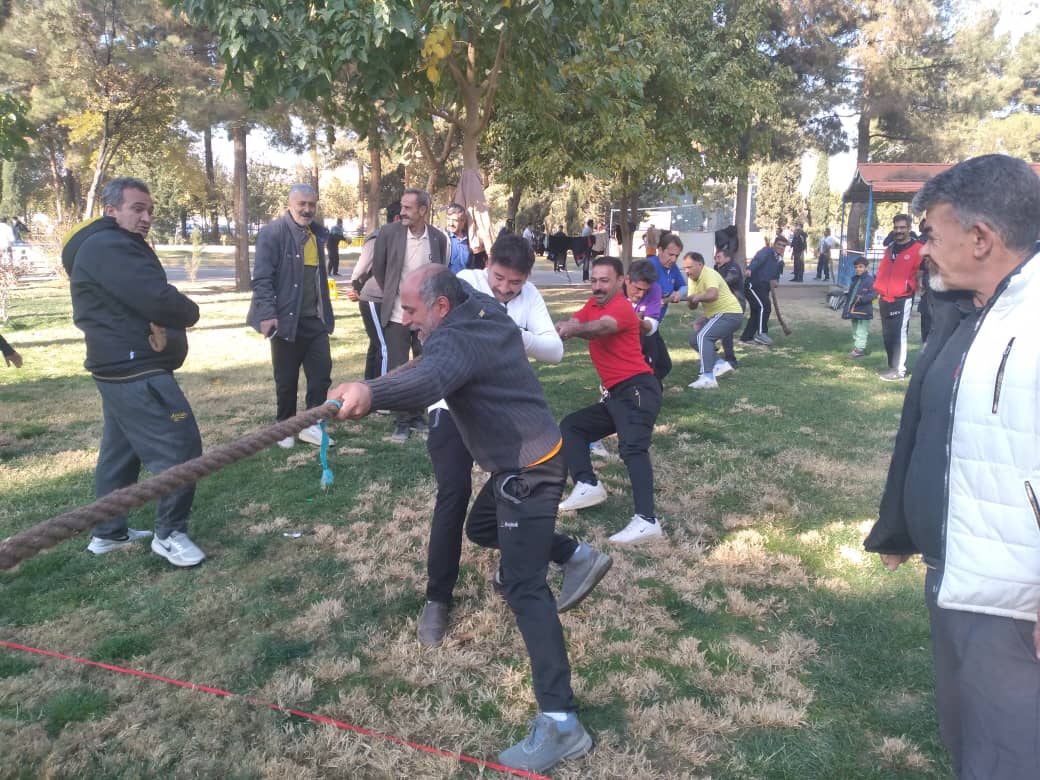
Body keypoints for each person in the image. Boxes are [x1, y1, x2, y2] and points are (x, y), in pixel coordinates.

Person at [329, 264, 602, 773]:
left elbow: (430, 377)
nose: (405, 319)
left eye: (412, 309)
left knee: (524, 588)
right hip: (522, 460)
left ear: (441, 306)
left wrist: (374, 394)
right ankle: (575, 554)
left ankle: (563, 723)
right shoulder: (480, 309)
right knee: (480, 529)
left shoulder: (457, 339)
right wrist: (369, 383)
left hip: (530, 470)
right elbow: (427, 364)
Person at [863, 154, 1040, 779]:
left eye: (932, 235)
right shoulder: (967, 309)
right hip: (959, 569)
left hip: (1015, 598)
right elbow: (927, 424)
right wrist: (900, 525)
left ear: (981, 238)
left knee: (1011, 755)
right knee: (970, 742)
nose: (924, 251)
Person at [416, 234, 608, 648]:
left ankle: (544, 561)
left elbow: (554, 351)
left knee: (511, 498)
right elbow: (432, 332)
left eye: (515, 283)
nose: (505, 289)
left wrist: (510, 333)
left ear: (527, 278)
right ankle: (437, 598)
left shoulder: (530, 296)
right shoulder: (465, 282)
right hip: (451, 406)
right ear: (488, 266)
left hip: (500, 411)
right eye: (499, 279)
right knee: (453, 493)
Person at [63, 177, 204, 567]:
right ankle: (170, 534)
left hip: (118, 366)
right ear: (111, 210)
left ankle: (108, 533)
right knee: (180, 447)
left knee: (119, 452)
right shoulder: (109, 246)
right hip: (133, 369)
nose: (146, 218)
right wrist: (190, 311)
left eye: (149, 211)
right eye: (137, 209)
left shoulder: (110, 244)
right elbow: (155, 297)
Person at [556, 256, 664, 545]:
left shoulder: (622, 308)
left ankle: (647, 521)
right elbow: (577, 320)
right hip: (616, 395)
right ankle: (587, 483)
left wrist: (573, 329)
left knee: (633, 449)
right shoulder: (593, 305)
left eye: (605, 280)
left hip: (637, 390)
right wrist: (560, 327)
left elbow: (601, 328)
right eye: (594, 280)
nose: (598, 286)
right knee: (572, 427)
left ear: (621, 281)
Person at [247, 184, 335, 448]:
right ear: (290, 205)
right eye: (302, 204)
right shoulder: (272, 233)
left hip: (315, 321)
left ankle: (311, 425)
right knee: (286, 379)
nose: (307, 209)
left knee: (321, 375)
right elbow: (262, 278)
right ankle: (284, 427)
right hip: (285, 320)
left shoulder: (317, 234)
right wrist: (267, 314)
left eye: (312, 204)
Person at [368, 188, 448, 441]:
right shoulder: (388, 233)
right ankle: (402, 420)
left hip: (427, 318)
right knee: (399, 366)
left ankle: (417, 416)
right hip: (396, 314)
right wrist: (396, 295)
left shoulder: (438, 238)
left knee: (424, 365)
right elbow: (379, 270)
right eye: (401, 207)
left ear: (423, 211)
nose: (401, 212)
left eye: (407, 208)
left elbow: (441, 272)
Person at [348, 202, 402, 380]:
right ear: (397, 218)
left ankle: (369, 387)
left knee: (376, 345)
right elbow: (361, 269)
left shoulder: (399, 237)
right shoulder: (377, 237)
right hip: (373, 298)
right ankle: (384, 391)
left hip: (386, 299)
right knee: (385, 346)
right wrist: (355, 287)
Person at [874, 213, 925, 381]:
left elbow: (921, 271)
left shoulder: (918, 249)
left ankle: (899, 370)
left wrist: (913, 286)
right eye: (896, 228)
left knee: (898, 334)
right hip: (885, 297)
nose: (899, 231)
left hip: (902, 298)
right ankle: (892, 366)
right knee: (888, 335)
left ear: (909, 228)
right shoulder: (890, 248)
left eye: (902, 227)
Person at [683, 252, 743, 389]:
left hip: (730, 313)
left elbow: (713, 295)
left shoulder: (708, 273)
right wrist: (691, 300)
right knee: (695, 340)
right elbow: (692, 306)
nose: (687, 271)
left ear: (700, 264)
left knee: (703, 337)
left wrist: (698, 297)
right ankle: (720, 364)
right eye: (685, 268)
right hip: (718, 315)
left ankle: (708, 377)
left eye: (689, 267)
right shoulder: (692, 279)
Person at [740, 234, 786, 345]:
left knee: (757, 311)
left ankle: (747, 337)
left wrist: (776, 281)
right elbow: (757, 260)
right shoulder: (767, 251)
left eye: (783, 246)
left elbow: (776, 275)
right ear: (774, 244)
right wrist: (750, 269)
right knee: (764, 306)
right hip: (753, 285)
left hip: (764, 288)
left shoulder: (779, 260)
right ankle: (761, 333)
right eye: (779, 244)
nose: (781, 247)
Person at [713, 241, 745, 370]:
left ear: (727, 258)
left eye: (719, 257)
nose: (716, 260)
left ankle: (731, 360)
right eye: (715, 257)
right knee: (702, 324)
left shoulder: (733, 267)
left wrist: (713, 286)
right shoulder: (717, 268)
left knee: (726, 332)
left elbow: (728, 281)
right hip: (722, 305)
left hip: (735, 305)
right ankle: (710, 346)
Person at [842, 257, 876, 358]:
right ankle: (857, 348)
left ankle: (859, 350)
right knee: (855, 330)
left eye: (860, 267)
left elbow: (874, 294)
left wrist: (861, 299)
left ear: (866, 267)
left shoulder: (870, 280)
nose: (858, 269)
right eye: (856, 267)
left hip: (864, 310)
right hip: (854, 309)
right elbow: (852, 293)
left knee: (861, 331)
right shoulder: (855, 279)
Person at [444, 202, 471, 274]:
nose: (450, 223)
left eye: (455, 220)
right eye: (448, 219)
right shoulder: (443, 238)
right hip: (447, 279)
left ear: (463, 222)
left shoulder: (470, 241)